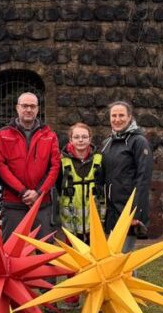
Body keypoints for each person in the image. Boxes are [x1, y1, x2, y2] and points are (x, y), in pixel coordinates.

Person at [0, 92, 60, 240]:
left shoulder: (50, 135)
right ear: (17, 108)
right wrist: (22, 191)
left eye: (32, 106)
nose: (28, 109)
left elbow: (54, 167)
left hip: (42, 204)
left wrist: (38, 192)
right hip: (13, 203)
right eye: (24, 106)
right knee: (12, 253)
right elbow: (0, 166)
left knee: (45, 252)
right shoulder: (2, 134)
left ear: (37, 109)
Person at [100, 101, 153, 253]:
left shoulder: (139, 142)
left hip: (128, 210)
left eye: (121, 115)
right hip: (111, 211)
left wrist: (136, 213)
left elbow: (143, 179)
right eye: (113, 116)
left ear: (130, 117)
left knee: (123, 258)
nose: (117, 119)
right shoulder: (106, 143)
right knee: (114, 256)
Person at [58, 122, 105, 240]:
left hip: (94, 218)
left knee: (95, 255)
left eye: (84, 137)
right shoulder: (62, 161)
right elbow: (58, 187)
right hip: (71, 219)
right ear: (70, 140)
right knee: (72, 256)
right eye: (76, 137)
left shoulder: (100, 159)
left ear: (90, 139)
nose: (80, 140)